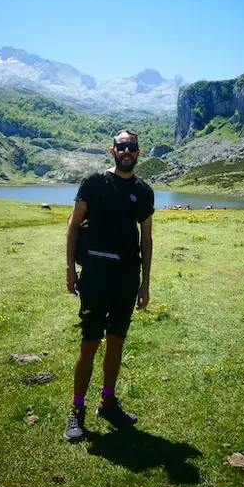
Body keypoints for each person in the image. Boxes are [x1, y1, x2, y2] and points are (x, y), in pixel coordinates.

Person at [64, 128, 154, 442]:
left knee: (116, 341)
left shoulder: (144, 191)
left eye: (131, 146)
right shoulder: (93, 182)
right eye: (121, 146)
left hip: (127, 278)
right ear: (111, 150)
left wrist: (145, 284)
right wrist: (70, 270)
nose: (126, 151)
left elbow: (147, 238)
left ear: (138, 152)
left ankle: (107, 401)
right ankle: (76, 410)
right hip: (95, 275)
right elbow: (73, 225)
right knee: (89, 343)